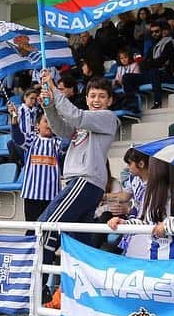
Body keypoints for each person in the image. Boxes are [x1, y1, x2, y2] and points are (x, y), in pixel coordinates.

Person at [37, 72, 118, 298]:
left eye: (102, 96)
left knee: (45, 225)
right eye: (92, 96)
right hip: (80, 181)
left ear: (110, 101)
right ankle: (86, 294)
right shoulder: (84, 123)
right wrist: (49, 106)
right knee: (78, 242)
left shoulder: (108, 117)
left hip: (85, 180)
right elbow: (61, 128)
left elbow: (76, 116)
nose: (96, 100)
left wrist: (54, 89)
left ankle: (36, 285)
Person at [108, 157, 174, 259]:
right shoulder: (155, 194)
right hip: (157, 263)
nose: (148, 171)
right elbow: (149, 223)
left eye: (151, 167)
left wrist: (166, 226)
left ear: (161, 171)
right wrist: (125, 223)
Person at [9, 101, 62, 222]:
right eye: (46, 121)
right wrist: (14, 121)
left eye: (52, 122)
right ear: (37, 125)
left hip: (52, 195)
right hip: (32, 194)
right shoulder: (31, 140)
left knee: (49, 228)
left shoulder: (58, 143)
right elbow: (18, 138)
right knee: (32, 226)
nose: (49, 124)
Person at [122, 21, 174, 110]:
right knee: (127, 77)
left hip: (167, 74)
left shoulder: (169, 43)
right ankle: (133, 104)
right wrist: (149, 63)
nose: (154, 34)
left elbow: (160, 62)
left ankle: (157, 102)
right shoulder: (153, 47)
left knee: (154, 71)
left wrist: (149, 63)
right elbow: (143, 65)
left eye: (157, 31)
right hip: (152, 74)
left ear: (162, 31)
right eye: (152, 32)